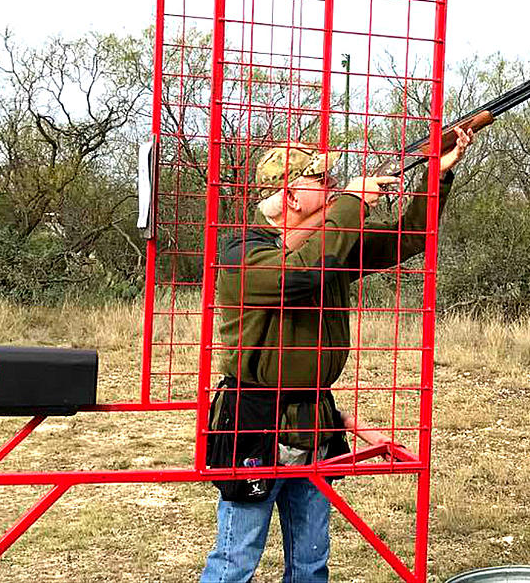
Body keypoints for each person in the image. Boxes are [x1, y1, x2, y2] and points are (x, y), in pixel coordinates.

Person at [200, 129, 473, 583]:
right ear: (290, 195)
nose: (332, 187)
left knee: (311, 564)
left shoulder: (329, 245)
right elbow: (303, 274)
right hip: (255, 422)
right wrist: (350, 203)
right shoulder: (240, 253)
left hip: (315, 423)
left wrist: (435, 176)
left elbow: (409, 238)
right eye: (322, 182)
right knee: (235, 564)